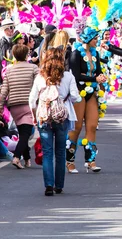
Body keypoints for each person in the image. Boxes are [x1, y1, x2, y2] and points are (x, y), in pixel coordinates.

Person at [29, 48, 81, 195]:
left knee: (47, 152)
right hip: (62, 116)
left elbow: (32, 100)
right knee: (60, 152)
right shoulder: (68, 76)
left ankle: (48, 185)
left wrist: (34, 115)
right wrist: (62, 100)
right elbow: (75, 97)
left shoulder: (40, 77)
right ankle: (59, 185)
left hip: (44, 116)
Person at [67, 27, 107, 173]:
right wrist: (93, 78)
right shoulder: (75, 54)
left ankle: (90, 161)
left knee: (91, 125)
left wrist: (101, 77)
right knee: (76, 127)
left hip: (92, 93)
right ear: (88, 39)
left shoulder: (95, 53)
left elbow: (99, 71)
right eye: (95, 38)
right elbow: (77, 76)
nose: (97, 41)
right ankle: (70, 161)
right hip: (79, 92)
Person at [0, 44, 39, 169]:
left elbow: (4, 89)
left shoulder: (9, 69)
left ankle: (27, 159)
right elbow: (39, 86)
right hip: (28, 104)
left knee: (23, 133)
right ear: (27, 55)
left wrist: (0, 105)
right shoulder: (33, 68)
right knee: (26, 133)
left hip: (14, 106)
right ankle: (16, 157)